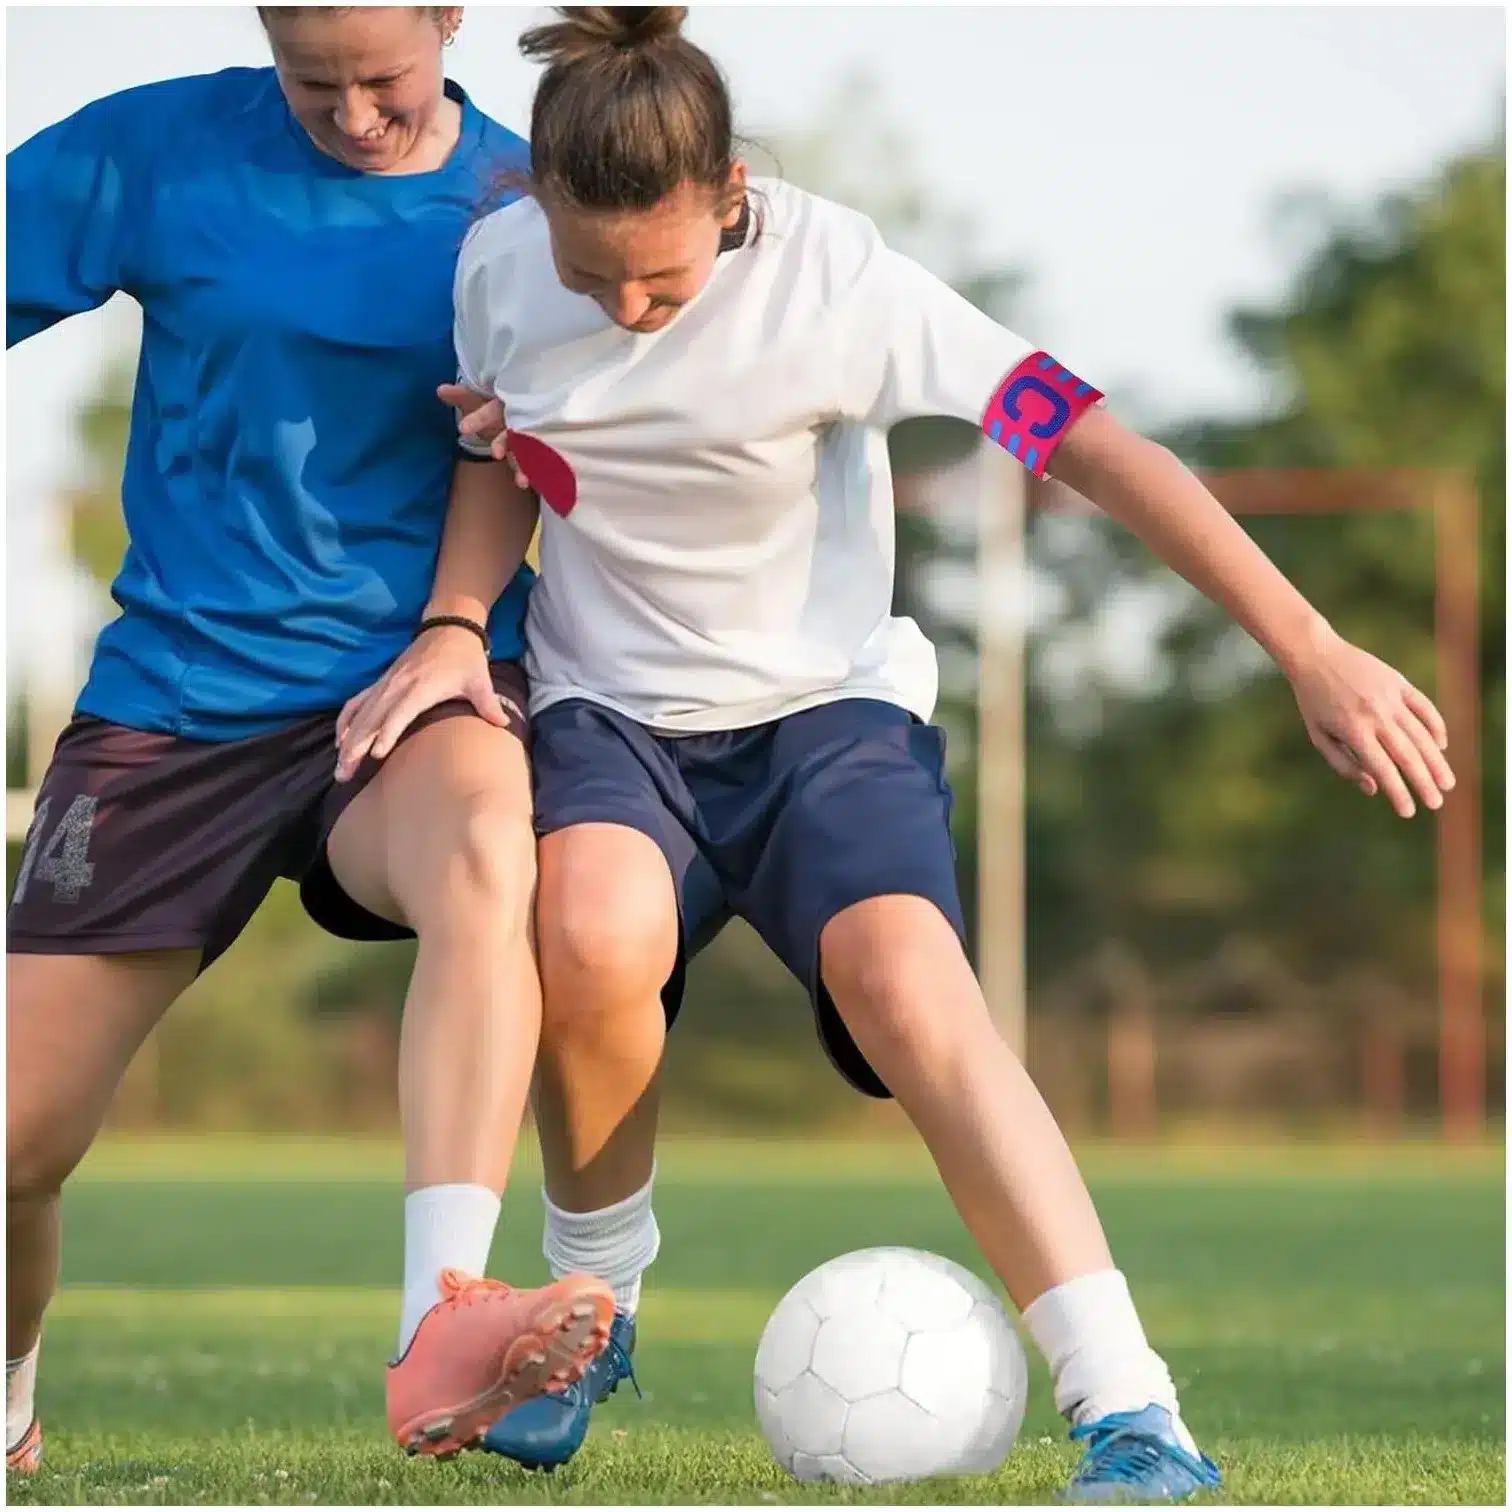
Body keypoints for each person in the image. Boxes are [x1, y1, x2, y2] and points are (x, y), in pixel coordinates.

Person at [337, 5, 1456, 1500]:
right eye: (590, 274)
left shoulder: (842, 280)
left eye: (662, 277)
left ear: (731, 190)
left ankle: (1133, 1408)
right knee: (589, 930)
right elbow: (502, 458)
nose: (626, 311)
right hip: (612, 715)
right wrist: (458, 621)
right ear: (537, 207)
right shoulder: (499, 271)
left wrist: (1310, 646)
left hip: (826, 718)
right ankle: (591, 1312)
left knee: (910, 982)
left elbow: (1094, 441)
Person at [5, 5, 618, 1475]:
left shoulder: (528, 207)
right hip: (172, 707)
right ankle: (8, 1392)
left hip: (403, 693)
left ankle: (442, 1329)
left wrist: (456, 631)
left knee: (486, 841)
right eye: (314, 84)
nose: (353, 115)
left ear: (450, 22)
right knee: (16, 1150)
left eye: (384, 80)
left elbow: (537, 447)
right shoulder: (159, 150)